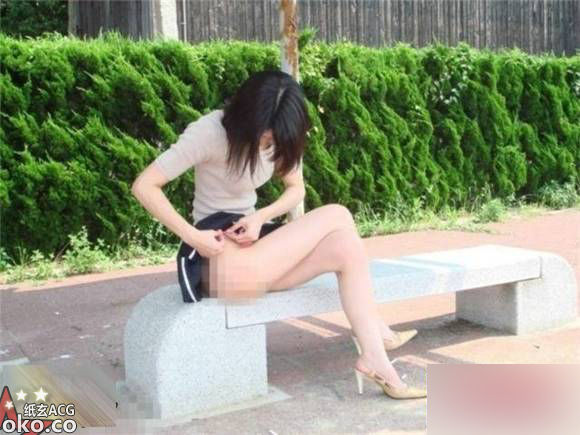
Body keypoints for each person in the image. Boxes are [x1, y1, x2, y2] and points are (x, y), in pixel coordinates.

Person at [131, 69, 426, 400]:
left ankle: (375, 359)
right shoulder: (210, 131)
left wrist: (261, 217)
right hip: (217, 259)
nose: (265, 145)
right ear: (245, 116)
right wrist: (192, 236)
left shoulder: (281, 137)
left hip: (254, 249)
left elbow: (295, 188)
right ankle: (377, 330)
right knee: (339, 214)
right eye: (262, 136)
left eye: (271, 140)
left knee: (345, 246)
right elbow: (144, 185)